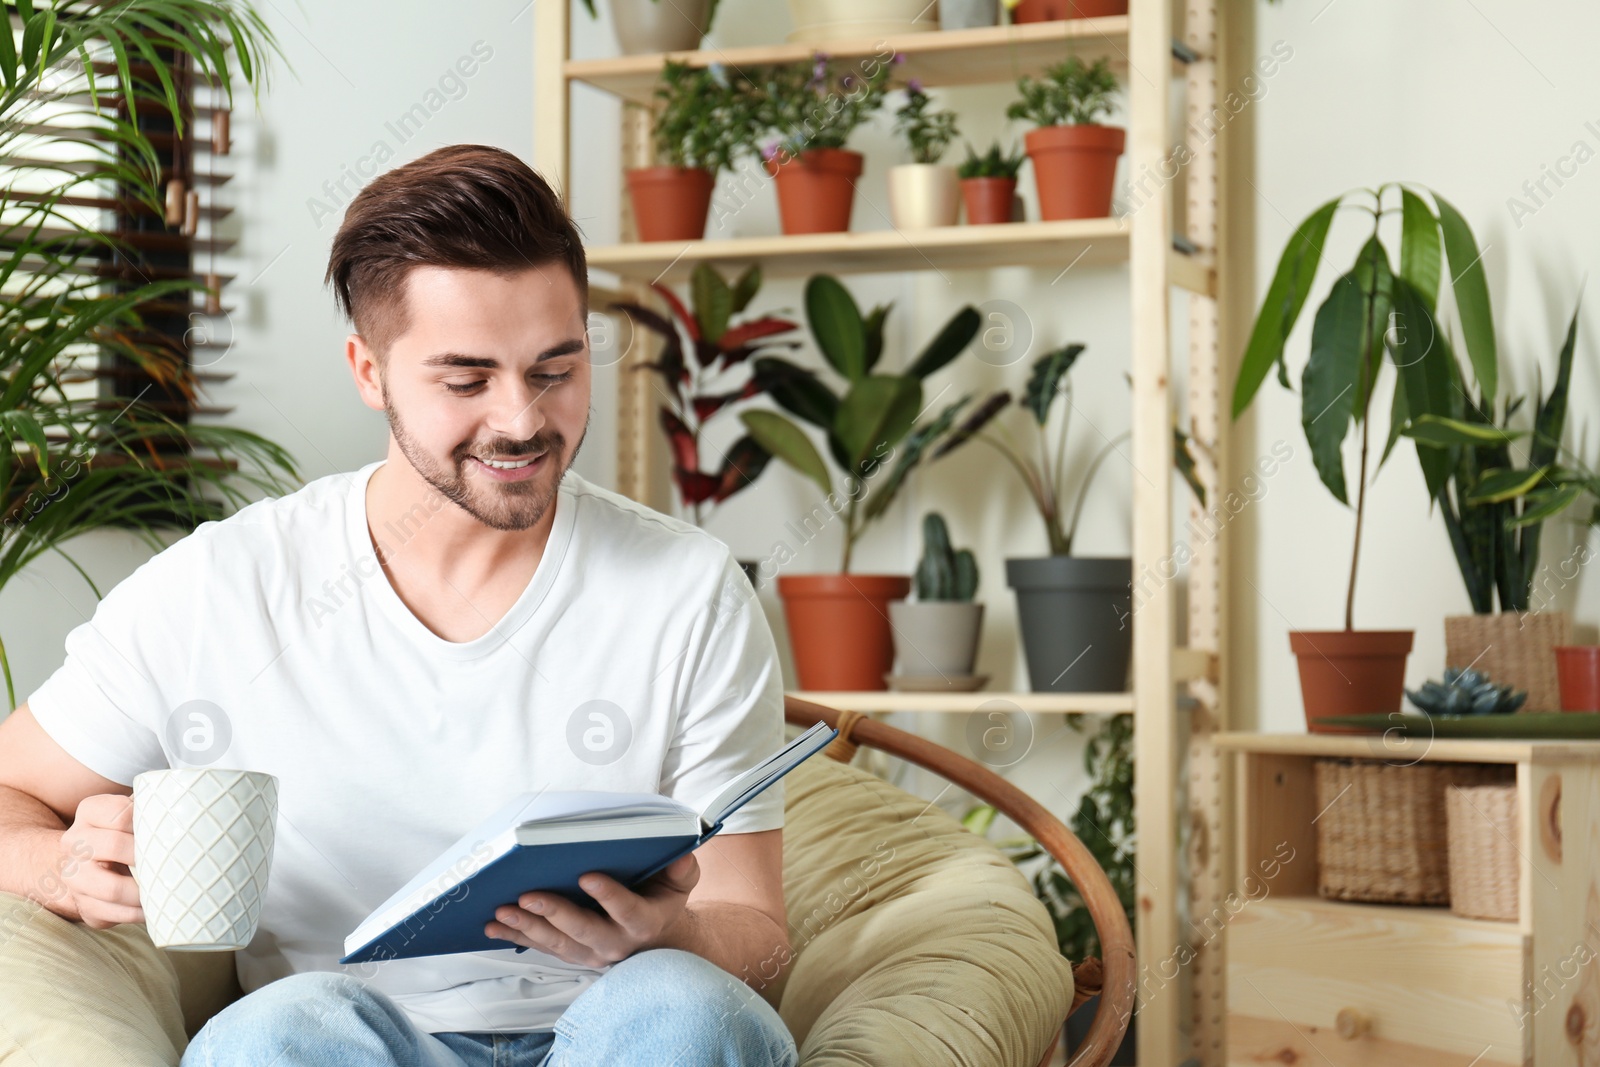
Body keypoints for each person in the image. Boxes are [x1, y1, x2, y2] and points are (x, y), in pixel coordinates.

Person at [0, 143, 798, 1067]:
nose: (521, 420)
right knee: (276, 1029)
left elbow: (760, 934)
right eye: (466, 380)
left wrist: (677, 937)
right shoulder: (223, 586)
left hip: (618, 1034)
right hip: (351, 1044)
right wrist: (56, 864)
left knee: (687, 1005)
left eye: (556, 368)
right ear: (370, 371)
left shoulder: (688, 589)